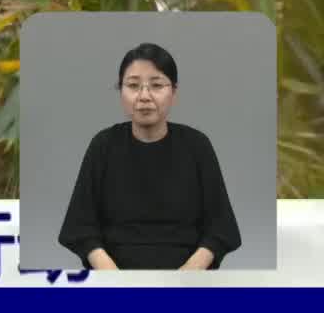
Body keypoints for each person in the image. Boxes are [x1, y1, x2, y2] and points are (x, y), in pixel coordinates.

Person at [56, 42, 243, 270]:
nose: (144, 96)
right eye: (133, 85)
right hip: (114, 281)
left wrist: (187, 276)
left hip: (187, 282)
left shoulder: (197, 146)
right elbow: (80, 227)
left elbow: (221, 227)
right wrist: (114, 279)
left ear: (173, 92)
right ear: (121, 91)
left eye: (156, 85)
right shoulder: (103, 145)